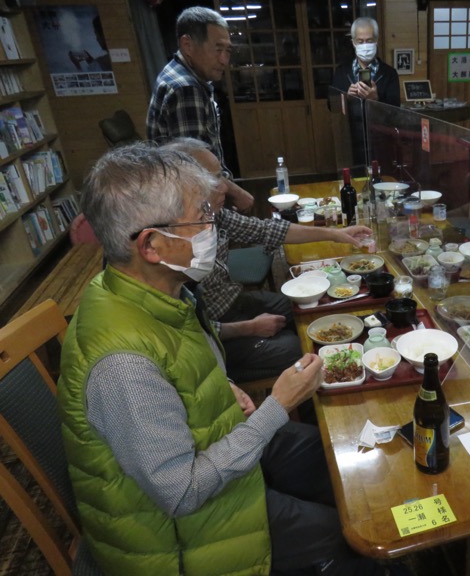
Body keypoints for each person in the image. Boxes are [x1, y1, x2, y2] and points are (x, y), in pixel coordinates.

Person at [58, 144, 393, 576]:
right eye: (202, 218)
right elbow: (182, 493)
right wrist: (278, 406)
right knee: (355, 541)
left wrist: (223, 387)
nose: (212, 228)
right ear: (152, 245)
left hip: (217, 446)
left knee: (344, 457)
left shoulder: (151, 292)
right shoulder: (122, 365)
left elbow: (180, 370)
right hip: (186, 538)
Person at [161, 137, 371, 382]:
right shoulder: (173, 244)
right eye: (214, 179)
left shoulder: (212, 215)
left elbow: (268, 230)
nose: (225, 188)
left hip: (229, 302)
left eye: (222, 176)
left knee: (296, 309)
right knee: (296, 347)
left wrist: (335, 235)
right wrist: (249, 327)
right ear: (186, 186)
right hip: (214, 335)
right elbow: (192, 331)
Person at [147, 6, 253, 212]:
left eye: (228, 51)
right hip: (189, 205)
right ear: (187, 45)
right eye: (217, 49)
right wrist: (237, 193)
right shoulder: (186, 88)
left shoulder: (175, 73)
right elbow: (194, 166)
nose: (224, 60)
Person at [331, 17, 400, 107]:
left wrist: (376, 98)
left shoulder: (389, 74)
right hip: (352, 121)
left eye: (369, 41)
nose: (365, 46)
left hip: (378, 121)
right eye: (360, 41)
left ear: (376, 41)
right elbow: (332, 106)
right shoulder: (341, 72)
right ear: (353, 43)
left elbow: (396, 110)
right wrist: (346, 97)